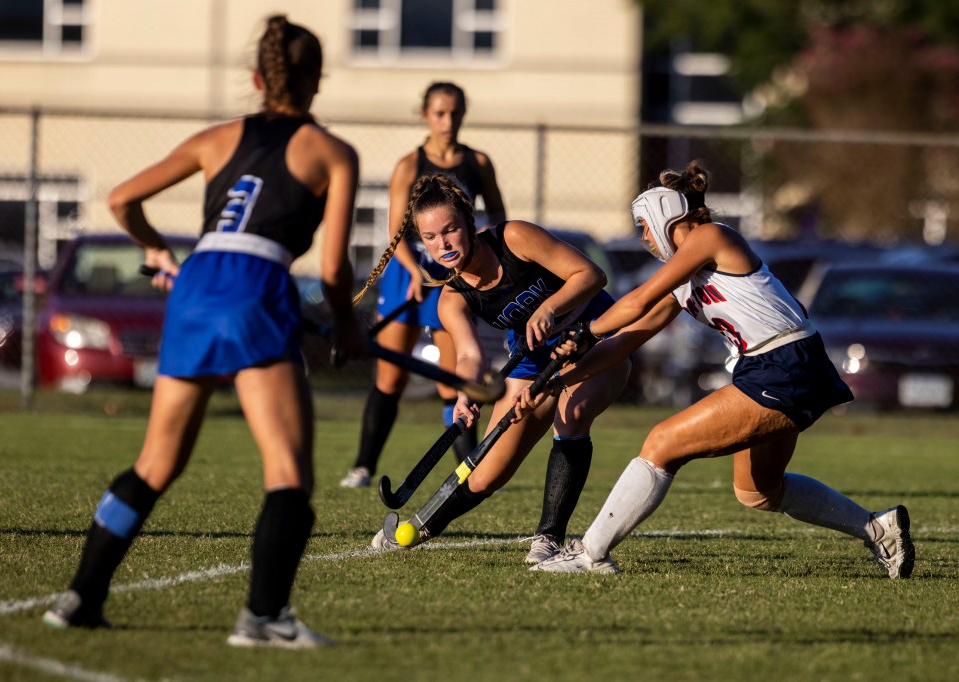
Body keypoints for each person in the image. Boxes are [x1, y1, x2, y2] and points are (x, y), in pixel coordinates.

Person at [41, 15, 366, 647]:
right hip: (257, 283)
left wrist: (158, 249)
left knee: (156, 463)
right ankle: (264, 619)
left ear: (256, 78)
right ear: (317, 81)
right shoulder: (333, 152)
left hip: (197, 281)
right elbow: (332, 267)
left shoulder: (217, 138)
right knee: (289, 472)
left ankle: (81, 597)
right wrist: (346, 327)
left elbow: (122, 200)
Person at [520, 160, 915, 578]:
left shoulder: (711, 236)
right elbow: (626, 341)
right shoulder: (686, 277)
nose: (643, 238)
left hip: (780, 364)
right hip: (783, 367)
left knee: (661, 443)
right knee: (758, 490)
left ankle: (591, 554)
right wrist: (559, 379)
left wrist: (586, 329)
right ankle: (879, 529)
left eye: (644, 226)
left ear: (664, 214)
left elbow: (634, 301)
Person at [367, 173, 630, 564]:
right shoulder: (452, 298)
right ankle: (419, 529)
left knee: (570, 415)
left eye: (451, 229)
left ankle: (548, 538)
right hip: (534, 361)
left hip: (598, 339)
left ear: (468, 224)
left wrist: (549, 308)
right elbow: (470, 357)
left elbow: (592, 275)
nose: (444, 244)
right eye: (431, 237)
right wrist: (465, 394)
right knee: (485, 473)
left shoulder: (515, 239)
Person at [340, 82, 507, 489]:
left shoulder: (478, 162)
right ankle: (362, 466)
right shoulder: (407, 164)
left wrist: (467, 254)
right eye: (439, 113)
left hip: (452, 273)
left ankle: (469, 468)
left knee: (453, 377)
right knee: (390, 377)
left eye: (455, 113)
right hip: (407, 272)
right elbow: (395, 230)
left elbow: (498, 219)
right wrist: (414, 272)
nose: (447, 122)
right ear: (425, 115)